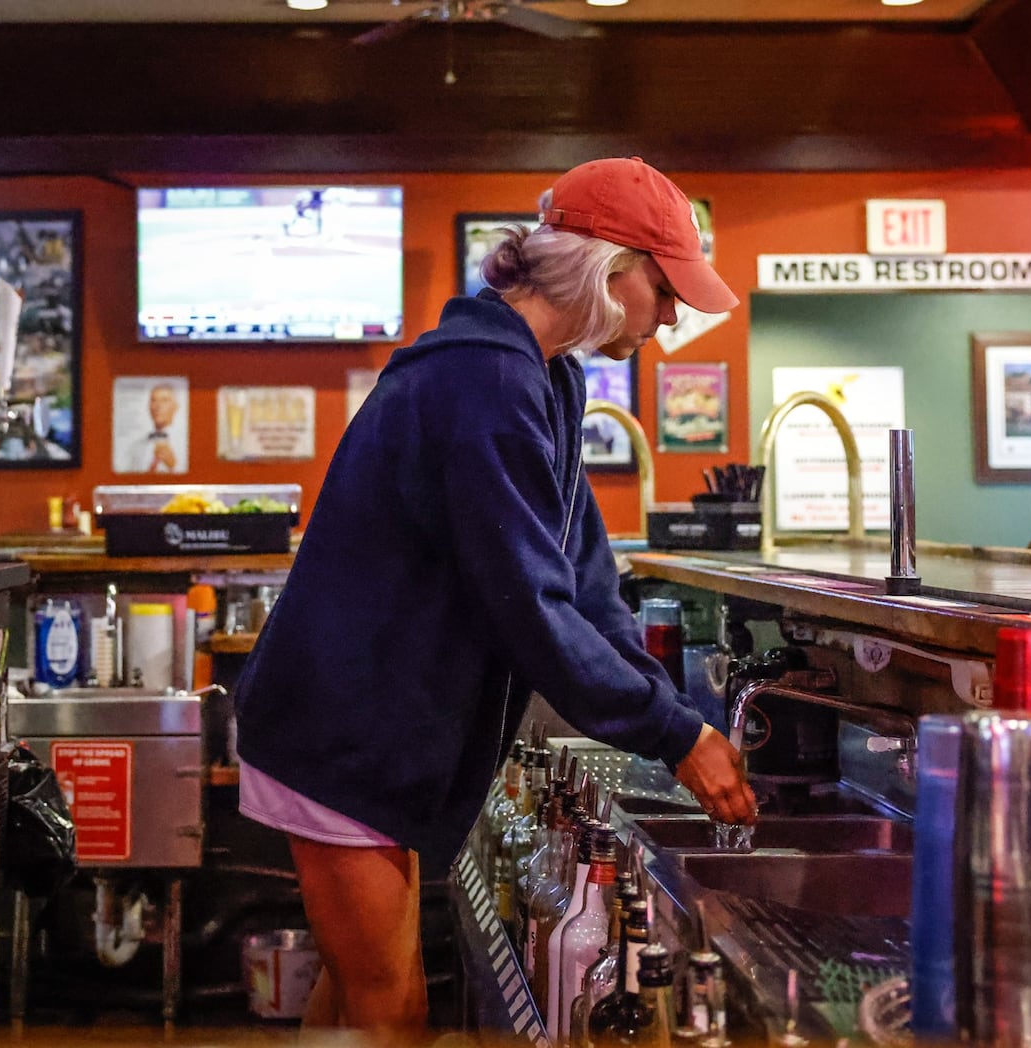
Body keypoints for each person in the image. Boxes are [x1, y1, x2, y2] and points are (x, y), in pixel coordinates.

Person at [231, 157, 756, 1040]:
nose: (670, 318)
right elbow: (529, 606)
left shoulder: (548, 376)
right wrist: (675, 735)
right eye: (665, 291)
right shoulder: (482, 380)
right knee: (391, 1009)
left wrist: (672, 717)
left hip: (378, 730)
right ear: (607, 267)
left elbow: (584, 577)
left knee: (355, 1000)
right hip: (337, 731)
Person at [144, 382, 181, 472]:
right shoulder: (136, 447)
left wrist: (173, 467)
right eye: (154, 400)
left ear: (176, 407)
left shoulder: (187, 443)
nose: (158, 406)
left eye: (164, 400)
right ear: (149, 407)